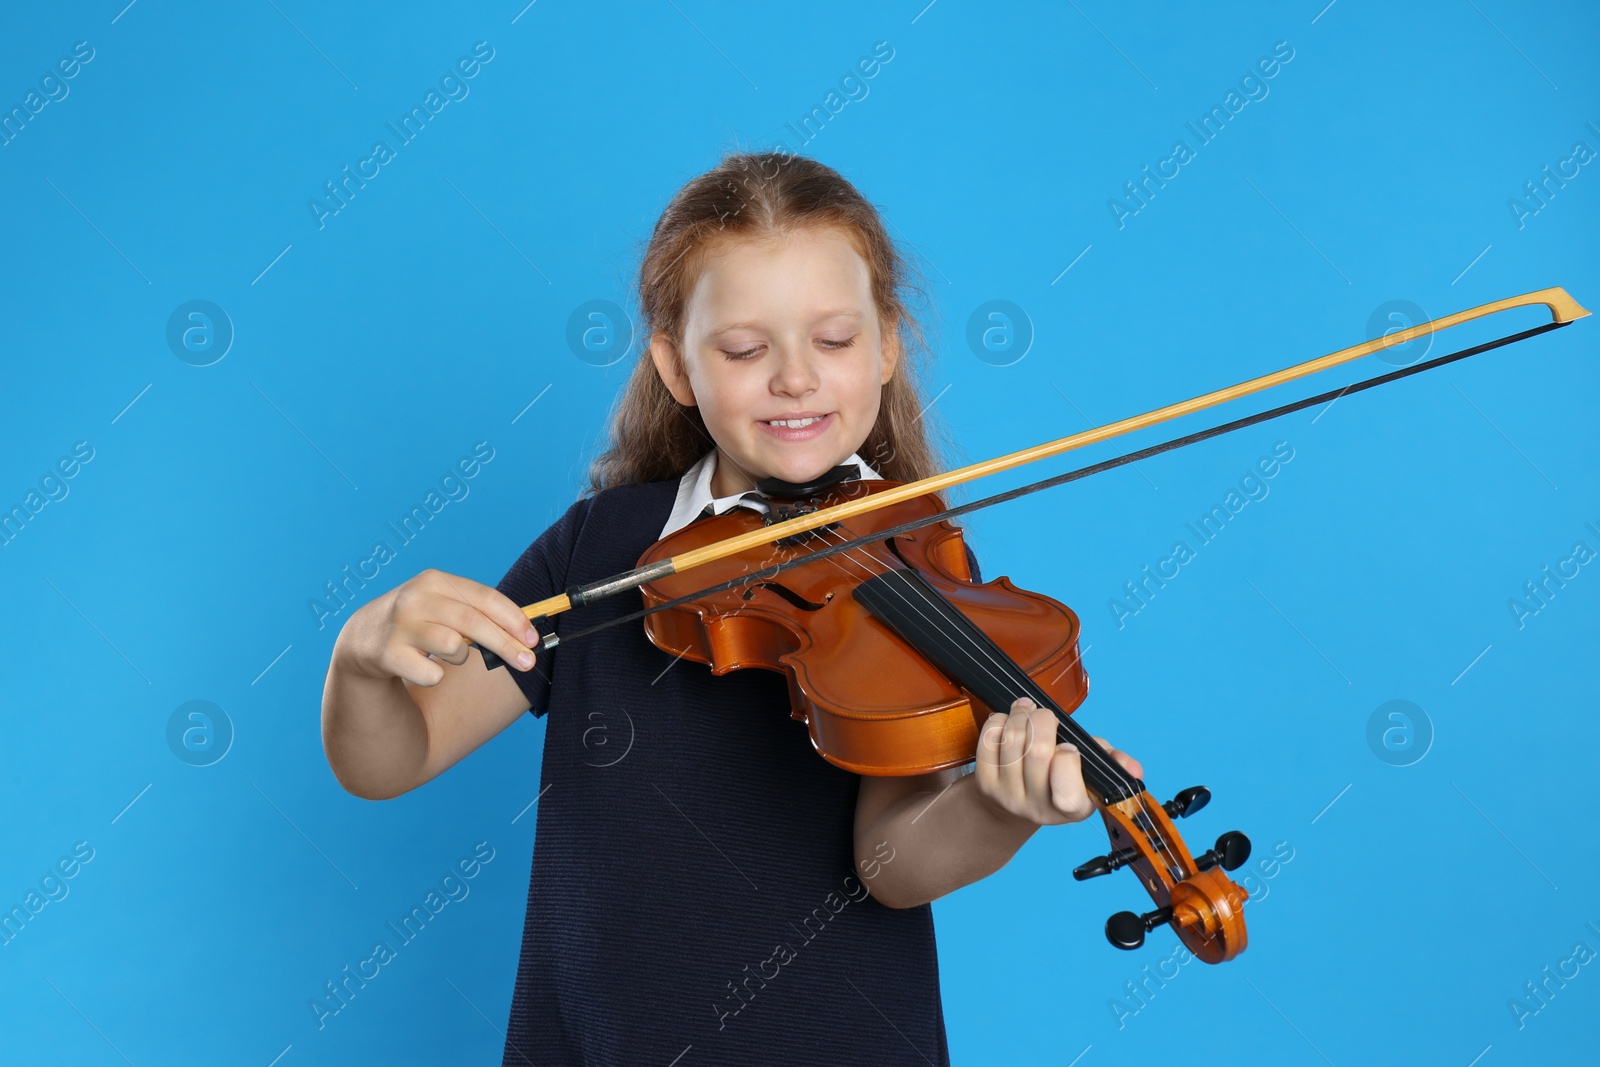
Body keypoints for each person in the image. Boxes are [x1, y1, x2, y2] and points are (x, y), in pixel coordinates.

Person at [320, 150, 1142, 1066]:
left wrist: (1000, 807)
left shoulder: (919, 552)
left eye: (833, 340)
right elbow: (393, 758)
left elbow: (890, 864)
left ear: (887, 345)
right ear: (676, 366)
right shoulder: (607, 547)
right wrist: (358, 657)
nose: (794, 378)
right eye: (746, 350)